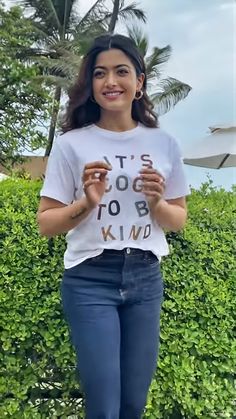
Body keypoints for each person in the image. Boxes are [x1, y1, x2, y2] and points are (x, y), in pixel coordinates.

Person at [37, 33, 190, 419]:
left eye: (122, 71)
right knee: (104, 407)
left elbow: (178, 219)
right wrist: (87, 203)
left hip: (145, 278)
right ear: (91, 85)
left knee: (132, 405)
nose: (111, 82)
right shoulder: (72, 144)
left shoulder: (164, 143)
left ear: (139, 82)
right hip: (90, 280)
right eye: (100, 73)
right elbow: (46, 223)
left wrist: (156, 202)